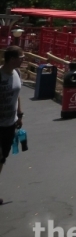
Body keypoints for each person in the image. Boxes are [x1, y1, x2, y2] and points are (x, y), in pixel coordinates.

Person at [0, 46, 24, 205]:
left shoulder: (17, 73)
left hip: (9, 123)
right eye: (21, 58)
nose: (23, 60)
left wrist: (19, 115)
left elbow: (17, 95)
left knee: (2, 158)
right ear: (12, 59)